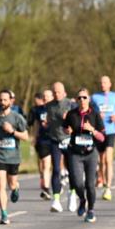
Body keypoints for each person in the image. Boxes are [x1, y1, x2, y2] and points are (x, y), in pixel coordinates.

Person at [63, 88, 106, 222]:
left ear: (89, 99)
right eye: (79, 98)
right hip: (75, 153)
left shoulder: (95, 114)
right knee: (76, 182)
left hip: (90, 153)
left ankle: (91, 210)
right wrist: (67, 130)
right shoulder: (71, 114)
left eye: (84, 97)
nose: (81, 100)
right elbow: (65, 129)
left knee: (90, 184)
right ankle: (82, 200)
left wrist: (92, 130)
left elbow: (102, 138)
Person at [0, 89, 29, 225]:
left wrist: (12, 131)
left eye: (5, 100)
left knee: (11, 184)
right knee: (1, 183)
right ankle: (4, 214)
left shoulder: (17, 118)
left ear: (10, 102)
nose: (2, 102)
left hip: (13, 157)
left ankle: (15, 188)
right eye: (0, 100)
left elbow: (26, 137)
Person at [91, 75, 115, 200]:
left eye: (105, 82)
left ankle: (108, 188)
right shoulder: (94, 97)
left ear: (110, 84)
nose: (102, 84)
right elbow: (89, 112)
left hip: (111, 131)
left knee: (108, 159)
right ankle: (103, 181)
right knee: (101, 160)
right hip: (99, 132)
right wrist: (97, 115)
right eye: (101, 82)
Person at [45, 81, 74, 213]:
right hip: (55, 140)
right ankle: (56, 200)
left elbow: (78, 121)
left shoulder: (71, 104)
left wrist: (70, 123)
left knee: (72, 169)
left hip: (69, 140)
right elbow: (48, 120)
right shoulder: (49, 106)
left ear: (64, 92)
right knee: (56, 169)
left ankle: (72, 194)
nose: (56, 94)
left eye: (58, 92)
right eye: (54, 92)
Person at [31, 90, 54, 200]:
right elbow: (36, 125)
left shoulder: (56, 108)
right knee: (45, 165)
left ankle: (59, 182)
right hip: (43, 140)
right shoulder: (39, 110)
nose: (45, 98)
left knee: (56, 166)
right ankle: (46, 189)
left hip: (55, 139)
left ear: (52, 97)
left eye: (47, 96)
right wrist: (35, 137)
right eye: (44, 96)